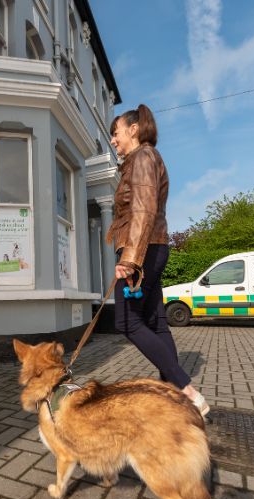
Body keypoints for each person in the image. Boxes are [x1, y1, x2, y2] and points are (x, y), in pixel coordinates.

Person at [107, 104, 210, 419]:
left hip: (142, 250)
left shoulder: (143, 157)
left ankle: (185, 390)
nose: (113, 140)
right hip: (152, 248)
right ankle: (173, 395)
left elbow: (143, 210)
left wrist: (129, 259)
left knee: (126, 321)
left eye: (116, 133)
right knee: (155, 322)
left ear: (133, 129)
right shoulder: (144, 159)